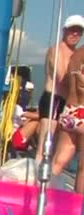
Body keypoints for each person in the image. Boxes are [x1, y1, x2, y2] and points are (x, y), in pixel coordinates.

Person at [35, 15, 84, 161]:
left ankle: (50, 177)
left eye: (79, 31)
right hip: (53, 100)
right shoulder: (57, 50)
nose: (75, 34)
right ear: (64, 30)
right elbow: (62, 77)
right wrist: (79, 77)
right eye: (72, 30)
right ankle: (38, 179)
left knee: (56, 146)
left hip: (65, 103)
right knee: (45, 145)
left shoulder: (75, 54)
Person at [52, 44, 84, 194]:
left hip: (70, 110)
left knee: (58, 161)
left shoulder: (76, 55)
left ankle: (42, 197)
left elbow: (68, 82)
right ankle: (81, 209)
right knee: (82, 168)